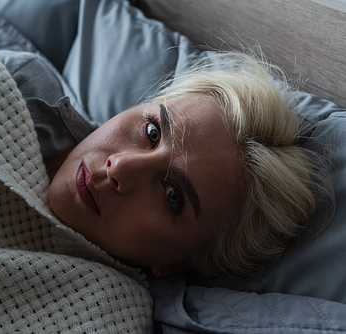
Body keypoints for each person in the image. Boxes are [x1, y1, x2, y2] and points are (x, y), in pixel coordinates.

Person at [47, 52, 333, 278]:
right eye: (153, 132)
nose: (120, 168)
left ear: (175, 263)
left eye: (173, 196)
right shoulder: (21, 85)